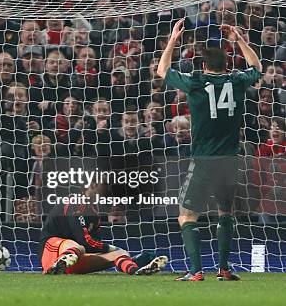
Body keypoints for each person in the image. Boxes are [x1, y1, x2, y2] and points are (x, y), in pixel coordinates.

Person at [157, 19, 263, 281]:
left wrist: (172, 39)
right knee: (225, 212)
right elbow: (257, 67)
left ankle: (195, 271)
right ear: (226, 65)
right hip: (230, 160)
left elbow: (162, 71)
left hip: (204, 159)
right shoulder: (237, 81)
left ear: (203, 65)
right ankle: (224, 269)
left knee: (187, 216)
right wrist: (238, 39)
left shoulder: (196, 82)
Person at [39, 196, 168, 275]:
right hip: (50, 254)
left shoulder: (95, 219)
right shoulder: (72, 204)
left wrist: (119, 252)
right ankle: (59, 263)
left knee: (119, 255)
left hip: (73, 263)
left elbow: (94, 245)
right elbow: (85, 243)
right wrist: (113, 248)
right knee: (79, 247)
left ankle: (135, 270)